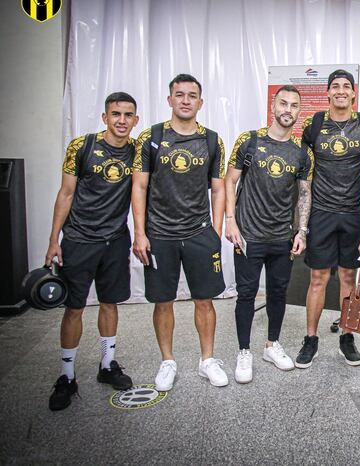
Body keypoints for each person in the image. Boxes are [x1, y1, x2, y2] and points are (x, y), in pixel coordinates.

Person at [132, 74, 228, 391]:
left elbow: (218, 189)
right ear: (170, 100)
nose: (185, 100)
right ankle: (168, 361)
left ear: (200, 102)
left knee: (204, 300)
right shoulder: (151, 137)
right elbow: (140, 186)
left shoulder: (213, 140)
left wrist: (216, 230)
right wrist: (140, 233)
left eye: (192, 95)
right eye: (179, 94)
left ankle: (207, 361)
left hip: (200, 233)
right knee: (163, 301)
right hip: (159, 234)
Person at [46, 92, 138, 411]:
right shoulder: (81, 147)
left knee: (110, 303)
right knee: (74, 308)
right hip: (80, 239)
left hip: (115, 241)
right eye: (115, 114)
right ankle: (67, 375)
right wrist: (53, 239)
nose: (121, 120)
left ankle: (107, 364)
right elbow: (66, 193)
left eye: (128, 115)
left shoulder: (138, 152)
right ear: (105, 117)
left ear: (135, 119)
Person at [224, 85, 314, 382]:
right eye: (283, 104)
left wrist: (301, 231)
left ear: (300, 112)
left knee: (278, 293)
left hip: (282, 238)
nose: (288, 110)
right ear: (273, 107)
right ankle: (244, 351)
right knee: (246, 295)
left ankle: (272, 345)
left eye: (294, 106)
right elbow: (229, 181)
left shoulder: (302, 152)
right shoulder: (249, 141)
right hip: (248, 235)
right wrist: (230, 220)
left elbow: (304, 193)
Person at [296, 69, 360, 368]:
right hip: (322, 213)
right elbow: (303, 171)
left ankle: (347, 336)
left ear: (354, 93)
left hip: (354, 214)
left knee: (347, 278)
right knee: (317, 278)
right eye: (335, 86)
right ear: (328, 93)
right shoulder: (313, 124)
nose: (341, 90)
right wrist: (302, 226)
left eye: (346, 86)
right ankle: (311, 339)